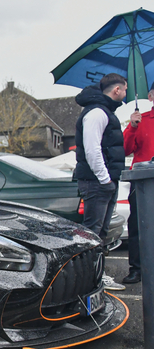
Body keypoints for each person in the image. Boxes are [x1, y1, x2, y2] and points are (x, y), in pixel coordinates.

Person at [73, 73, 127, 290]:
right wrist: (105, 180)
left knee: (99, 234)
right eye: (124, 90)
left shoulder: (102, 112)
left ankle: (94, 276)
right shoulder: (97, 113)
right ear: (116, 90)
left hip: (103, 182)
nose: (124, 94)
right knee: (92, 234)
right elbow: (92, 150)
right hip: (98, 183)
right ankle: (87, 279)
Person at [122, 82, 154, 284]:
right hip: (143, 184)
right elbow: (125, 149)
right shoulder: (140, 120)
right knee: (137, 226)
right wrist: (132, 127)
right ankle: (137, 268)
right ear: (150, 96)